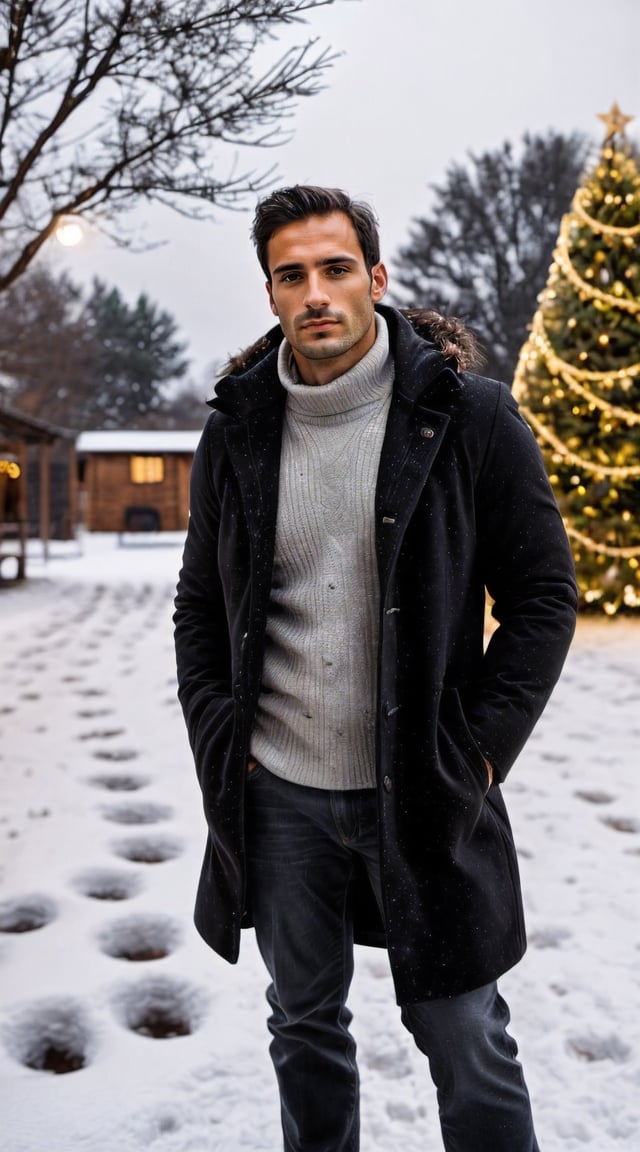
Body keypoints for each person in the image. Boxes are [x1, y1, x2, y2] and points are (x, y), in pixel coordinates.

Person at [174, 185, 578, 1152]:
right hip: (280, 801)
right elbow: (198, 606)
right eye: (292, 274)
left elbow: (542, 599)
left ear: (376, 277)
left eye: (336, 268)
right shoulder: (235, 431)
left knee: (466, 1037)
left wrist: (475, 756)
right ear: (270, 292)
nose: (316, 292)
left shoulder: (468, 418)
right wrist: (223, 744)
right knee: (304, 1026)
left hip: (427, 795)